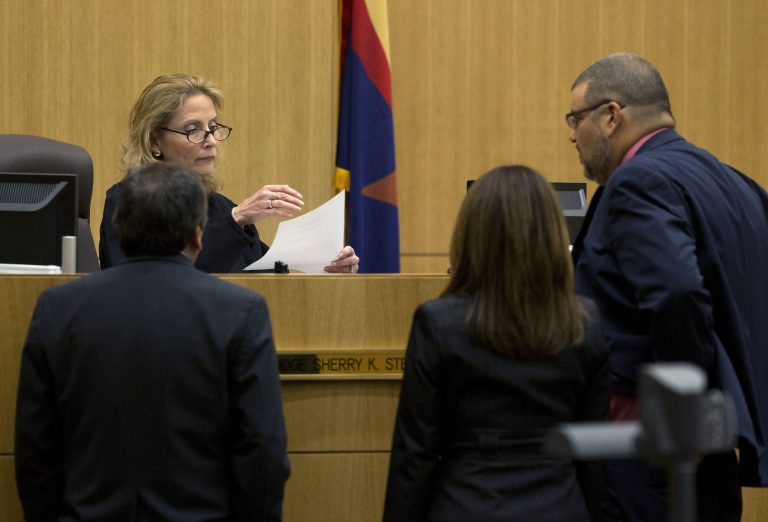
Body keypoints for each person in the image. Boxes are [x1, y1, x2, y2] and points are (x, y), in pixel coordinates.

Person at [15, 162, 290, 521]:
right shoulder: (240, 312)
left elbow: (35, 448)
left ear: (119, 227)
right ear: (198, 234)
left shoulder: (57, 309)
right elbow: (262, 450)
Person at [567, 52, 768, 521]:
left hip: (649, 451)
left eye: (576, 119)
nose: (572, 135)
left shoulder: (638, 181)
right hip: (713, 450)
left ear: (612, 115)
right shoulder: (736, 183)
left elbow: (676, 293)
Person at [383, 165, 610, 521]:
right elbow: (595, 454)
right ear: (553, 234)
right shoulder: (586, 322)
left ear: (472, 234)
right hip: (560, 504)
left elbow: (415, 454)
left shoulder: (438, 322)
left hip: (466, 503)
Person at [99, 72, 359, 273]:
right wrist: (236, 220)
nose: (211, 140)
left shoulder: (222, 208)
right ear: (154, 141)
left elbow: (266, 277)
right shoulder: (126, 202)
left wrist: (325, 269)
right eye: (193, 129)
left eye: (213, 127)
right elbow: (156, 282)